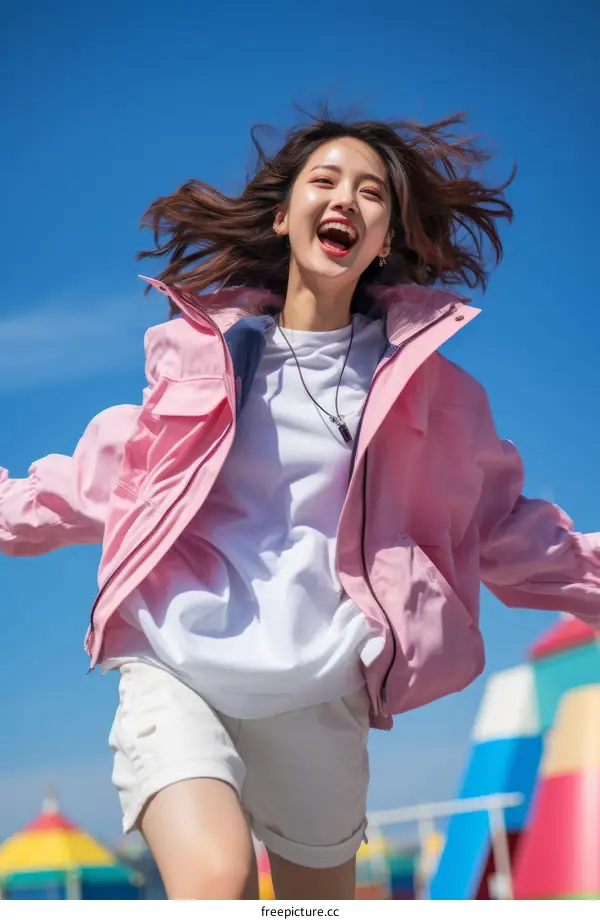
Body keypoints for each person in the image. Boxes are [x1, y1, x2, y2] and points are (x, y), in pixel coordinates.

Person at [2, 111, 600, 901]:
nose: (345, 199)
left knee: (317, 907)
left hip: (320, 696)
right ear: (285, 217)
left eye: (370, 192)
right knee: (217, 884)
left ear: (385, 239)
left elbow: (510, 529)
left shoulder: (432, 400)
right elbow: (75, 488)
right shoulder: (201, 367)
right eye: (324, 181)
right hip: (178, 670)